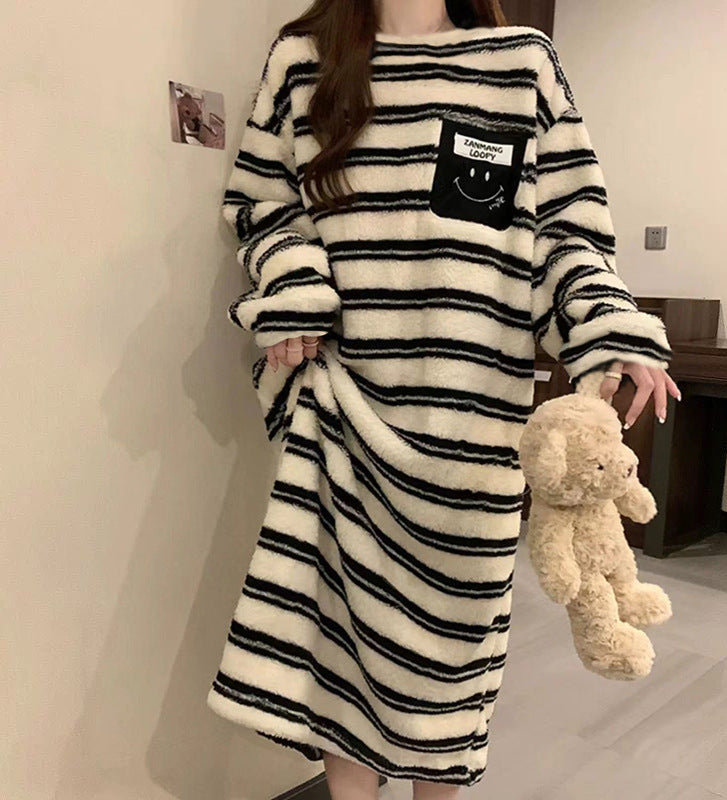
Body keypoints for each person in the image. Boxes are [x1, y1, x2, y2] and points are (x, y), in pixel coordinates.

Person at [207, 0, 681, 797]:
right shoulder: (301, 61)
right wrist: (294, 285)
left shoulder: (521, 65)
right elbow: (263, 207)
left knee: (452, 662)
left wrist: (609, 326)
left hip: (477, 429)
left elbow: (568, 236)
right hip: (347, 416)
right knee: (343, 650)